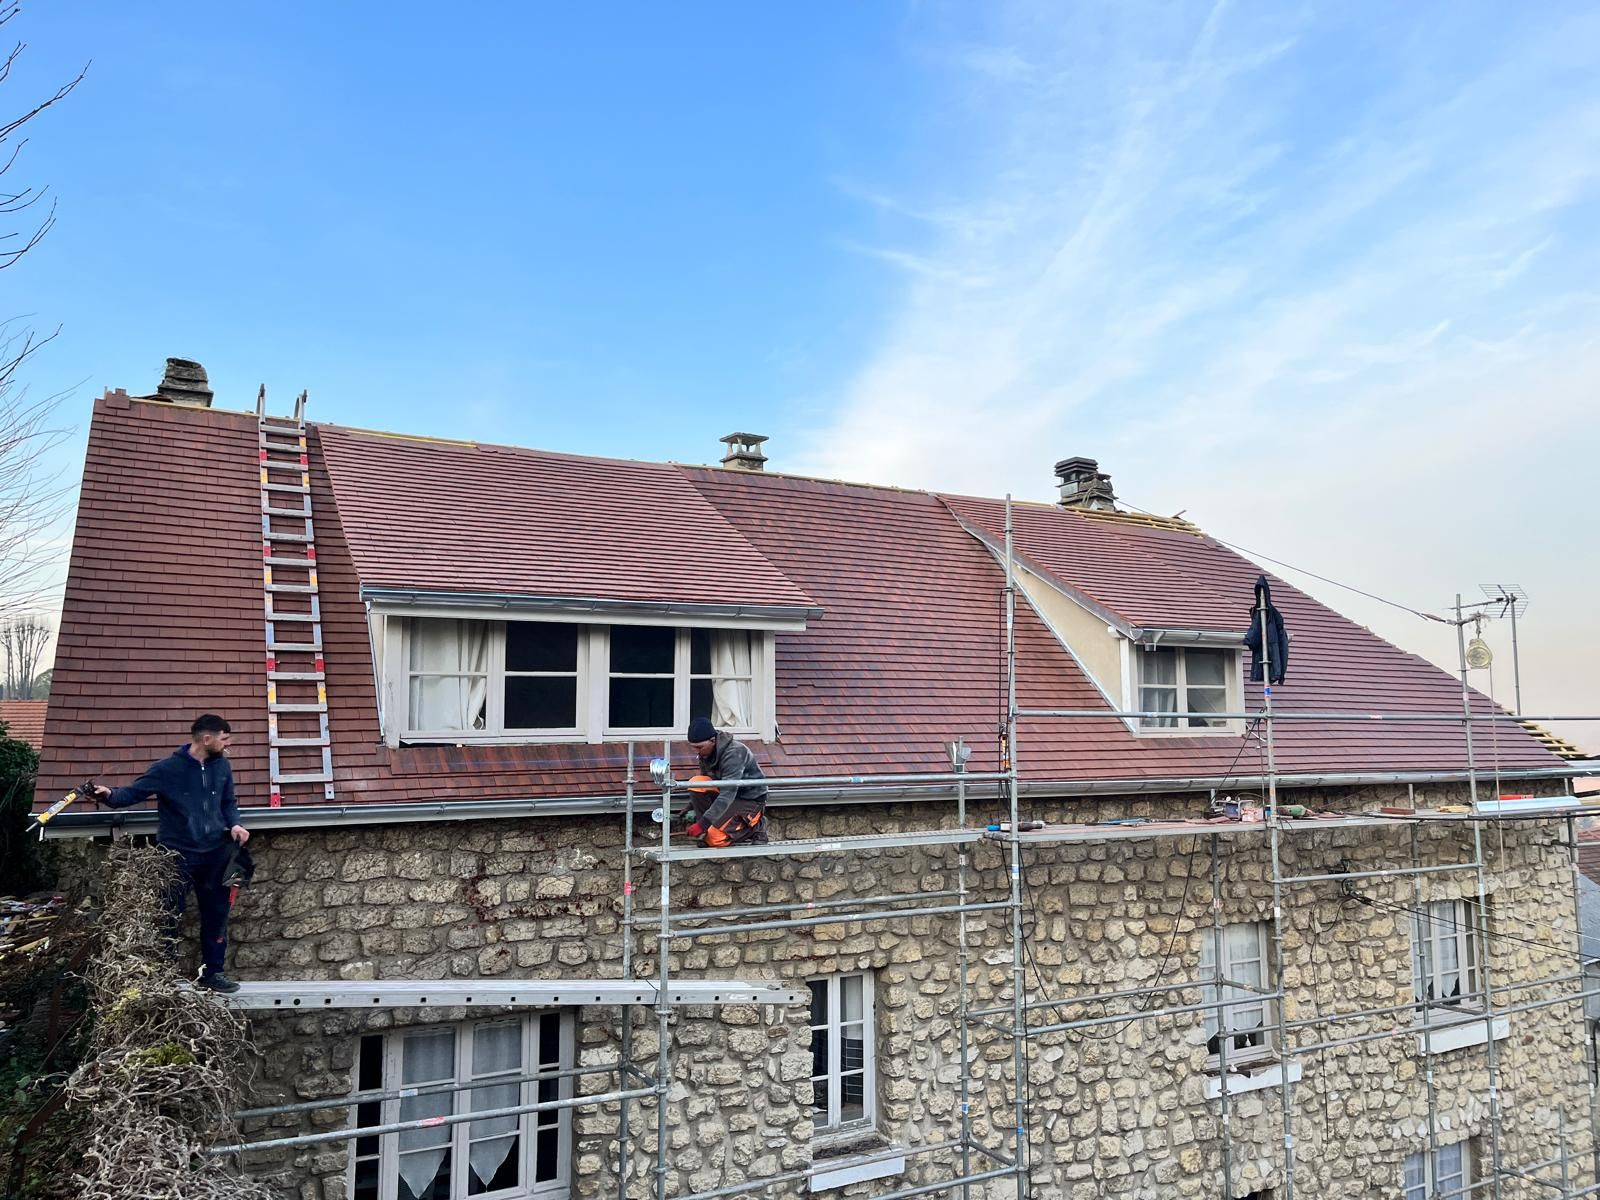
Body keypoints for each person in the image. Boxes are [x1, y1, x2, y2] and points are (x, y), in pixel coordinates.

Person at [94, 714, 249, 993]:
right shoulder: (168, 769)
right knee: (169, 915)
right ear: (206, 739)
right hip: (176, 855)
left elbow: (228, 802)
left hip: (215, 854)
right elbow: (129, 795)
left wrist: (235, 823)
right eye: (224, 739)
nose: (228, 745)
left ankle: (212, 974)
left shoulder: (223, 767)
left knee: (216, 915)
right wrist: (107, 795)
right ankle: (164, 976)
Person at [680, 717, 769, 846]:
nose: (697, 753)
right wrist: (690, 806)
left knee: (715, 840)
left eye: (699, 747)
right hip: (727, 794)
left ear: (712, 740)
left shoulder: (735, 753)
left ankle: (757, 827)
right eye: (694, 748)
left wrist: (702, 824)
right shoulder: (706, 753)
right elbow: (706, 783)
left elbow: (728, 793)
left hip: (749, 799)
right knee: (696, 782)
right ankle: (706, 832)